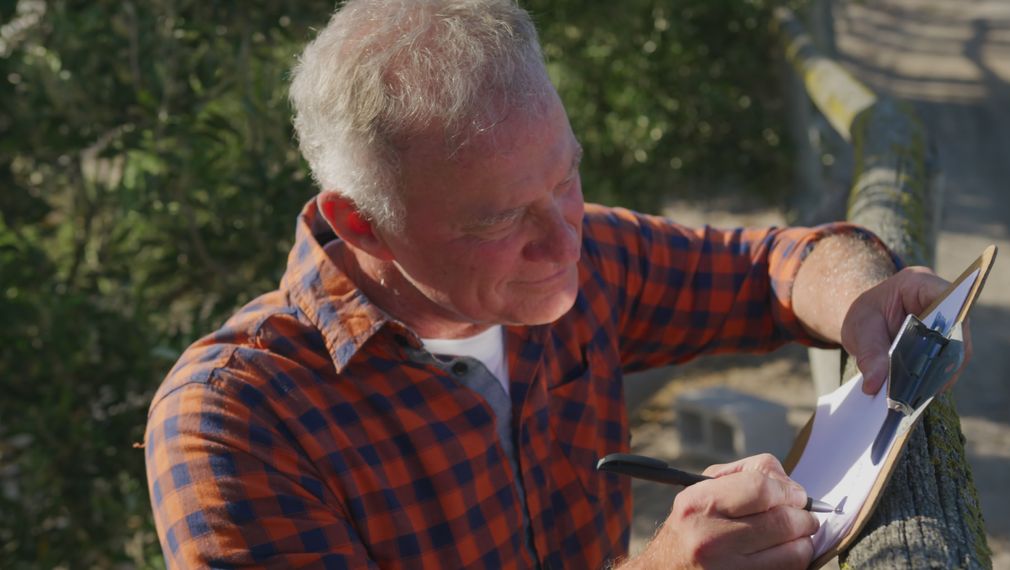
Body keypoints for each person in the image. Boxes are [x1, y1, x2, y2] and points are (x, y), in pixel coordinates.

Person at [143, 1, 959, 568]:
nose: (564, 237)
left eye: (567, 177)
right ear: (360, 223)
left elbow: (769, 267)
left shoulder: (577, 254)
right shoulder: (231, 422)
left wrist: (860, 301)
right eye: (499, 220)